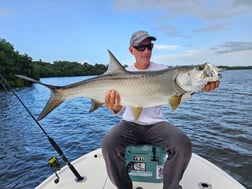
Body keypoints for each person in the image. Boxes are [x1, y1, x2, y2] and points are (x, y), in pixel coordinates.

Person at [102, 30, 220, 189]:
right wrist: (115, 108)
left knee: (182, 144)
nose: (146, 51)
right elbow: (121, 110)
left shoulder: (163, 69)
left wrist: (197, 88)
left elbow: (177, 95)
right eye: (141, 47)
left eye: (149, 46)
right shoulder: (124, 73)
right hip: (129, 124)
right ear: (131, 50)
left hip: (157, 124)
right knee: (109, 143)